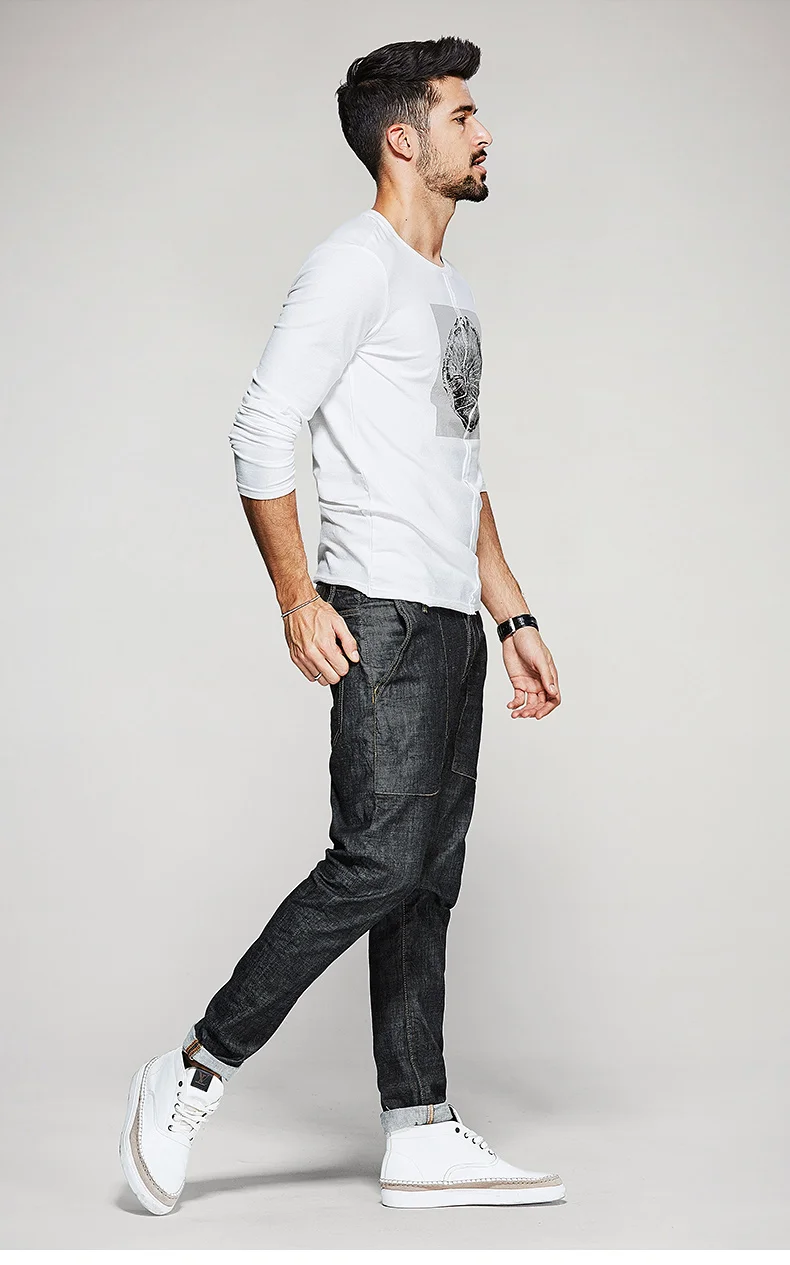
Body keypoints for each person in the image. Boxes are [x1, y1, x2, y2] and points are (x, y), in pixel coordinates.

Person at [119, 35, 564, 1216]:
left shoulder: (447, 290)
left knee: (426, 878)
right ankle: (194, 1067)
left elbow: (459, 472)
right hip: (379, 612)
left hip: (448, 619)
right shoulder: (351, 267)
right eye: (463, 116)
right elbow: (259, 428)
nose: (485, 133)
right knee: (378, 858)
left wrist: (510, 609)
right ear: (402, 139)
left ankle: (419, 1128)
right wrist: (296, 597)